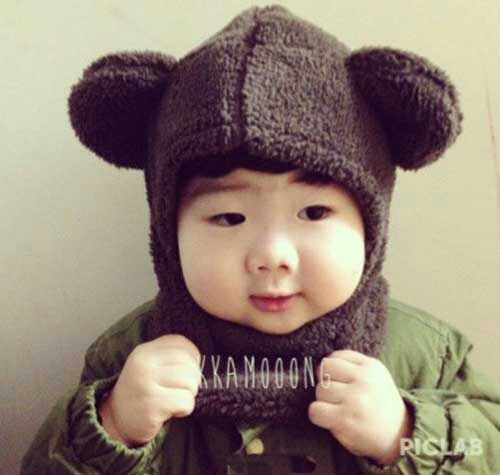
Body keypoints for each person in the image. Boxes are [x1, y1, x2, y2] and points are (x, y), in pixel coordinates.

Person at [21, 5, 500, 474]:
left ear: (372, 224)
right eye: (229, 217)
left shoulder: (425, 354)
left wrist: (404, 433)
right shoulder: (128, 357)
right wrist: (112, 427)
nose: (272, 255)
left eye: (314, 212)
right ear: (167, 233)